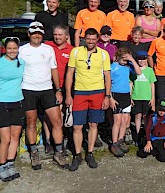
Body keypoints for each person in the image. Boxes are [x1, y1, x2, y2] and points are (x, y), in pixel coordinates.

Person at [19, 21, 68, 170]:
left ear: (42, 35)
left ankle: (59, 152)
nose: (37, 36)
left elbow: (54, 69)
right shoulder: (22, 50)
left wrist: (58, 89)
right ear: (29, 34)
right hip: (28, 89)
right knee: (31, 122)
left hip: (47, 89)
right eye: (34, 33)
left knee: (57, 121)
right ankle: (34, 152)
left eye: (39, 33)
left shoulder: (48, 49)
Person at [65, 27, 114, 171]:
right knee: (77, 126)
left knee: (93, 125)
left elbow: (107, 76)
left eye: (93, 39)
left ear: (97, 39)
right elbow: (69, 74)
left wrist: (107, 95)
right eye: (88, 39)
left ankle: (90, 153)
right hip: (80, 92)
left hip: (98, 92)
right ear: (84, 39)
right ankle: (78, 154)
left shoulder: (103, 54)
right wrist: (68, 94)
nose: (91, 41)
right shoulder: (76, 51)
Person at [44, 24, 74, 154]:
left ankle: (61, 140)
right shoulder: (47, 46)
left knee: (62, 115)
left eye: (60, 35)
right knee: (48, 115)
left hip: (65, 87)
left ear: (66, 36)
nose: (57, 37)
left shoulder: (72, 50)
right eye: (55, 34)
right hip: (48, 86)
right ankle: (48, 141)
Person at [0, 37, 25, 181]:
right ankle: (2, 166)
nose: (12, 51)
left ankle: (10, 163)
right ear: (4, 49)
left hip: (18, 102)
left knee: (15, 136)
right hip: (2, 103)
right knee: (5, 138)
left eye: (14, 48)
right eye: (9, 48)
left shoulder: (22, 63)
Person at [109, 47, 141, 158]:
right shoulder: (112, 67)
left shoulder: (128, 67)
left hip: (126, 95)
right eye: (123, 59)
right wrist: (110, 98)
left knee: (125, 120)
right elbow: (107, 82)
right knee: (117, 121)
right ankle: (114, 143)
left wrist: (131, 60)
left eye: (126, 59)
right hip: (115, 95)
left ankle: (120, 140)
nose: (125, 61)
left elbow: (139, 72)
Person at [131, 50, 156, 147]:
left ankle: (146, 134)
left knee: (146, 117)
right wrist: (130, 97)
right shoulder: (133, 70)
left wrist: (153, 97)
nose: (141, 61)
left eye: (143, 59)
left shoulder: (150, 70)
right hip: (136, 96)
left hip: (147, 96)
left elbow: (152, 84)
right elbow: (131, 83)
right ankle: (138, 134)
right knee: (137, 116)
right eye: (139, 59)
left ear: (146, 59)